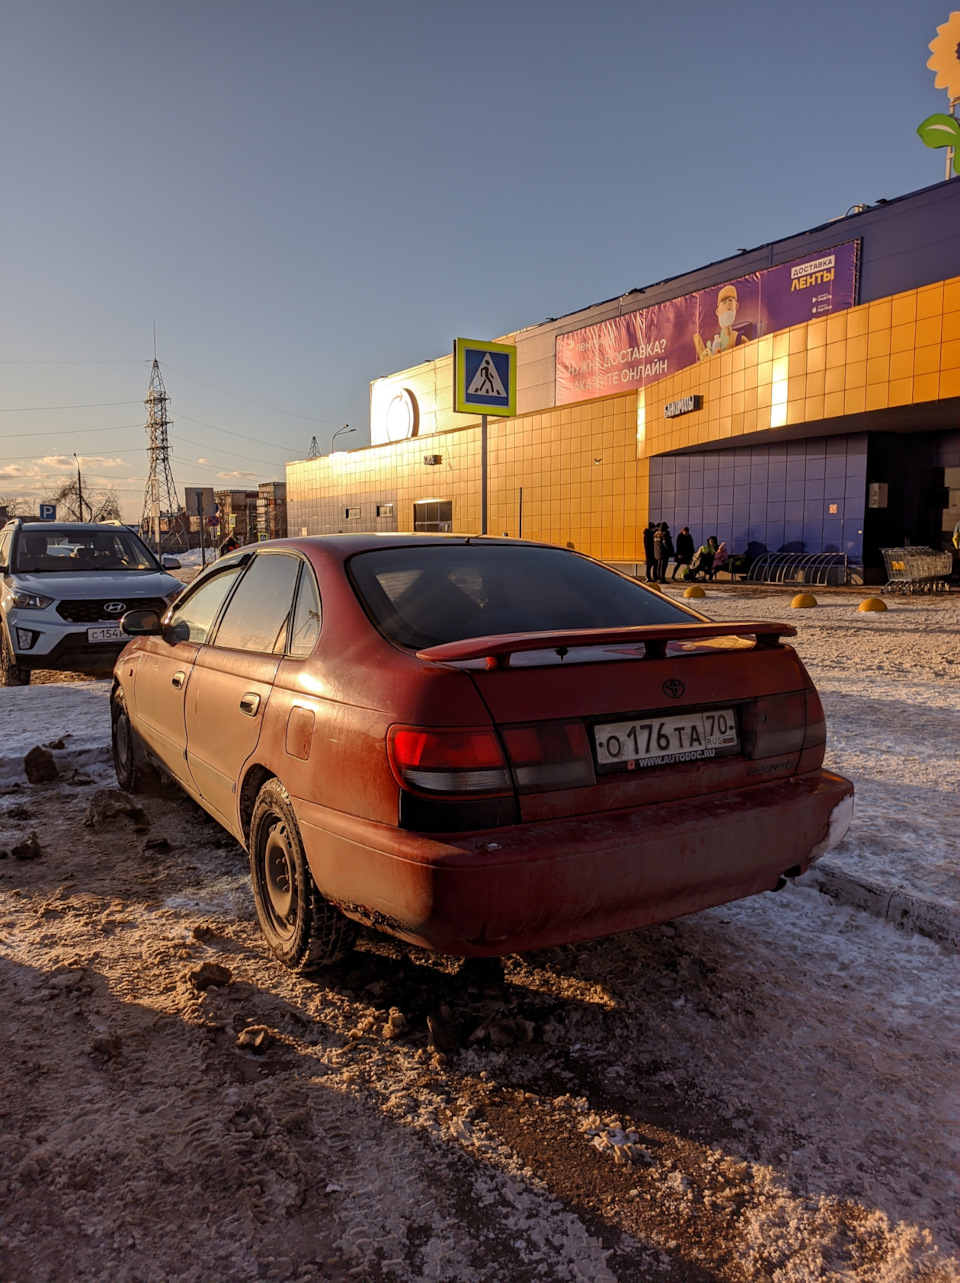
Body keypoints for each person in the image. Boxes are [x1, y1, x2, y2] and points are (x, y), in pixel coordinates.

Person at [697, 284, 749, 359]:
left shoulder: (740, 339)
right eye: (724, 303)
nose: (727, 306)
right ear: (717, 311)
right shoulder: (716, 343)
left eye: (730, 302)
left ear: (736, 306)